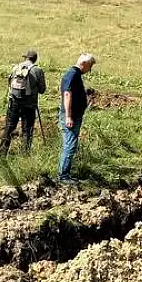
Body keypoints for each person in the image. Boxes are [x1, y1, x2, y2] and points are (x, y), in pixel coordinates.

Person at [56, 53, 96, 184]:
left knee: (70, 144)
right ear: (84, 64)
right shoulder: (72, 74)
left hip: (74, 115)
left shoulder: (74, 75)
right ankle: (63, 176)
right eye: (89, 67)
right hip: (71, 116)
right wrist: (68, 116)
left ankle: (64, 173)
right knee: (70, 145)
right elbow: (67, 94)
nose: (89, 70)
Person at [0, 49, 47, 156]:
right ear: (34, 59)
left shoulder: (16, 67)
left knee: (9, 127)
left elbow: (9, 83)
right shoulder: (38, 70)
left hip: (14, 102)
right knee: (27, 131)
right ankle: (24, 156)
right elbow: (42, 90)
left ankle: (2, 153)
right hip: (29, 105)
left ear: (25, 58)